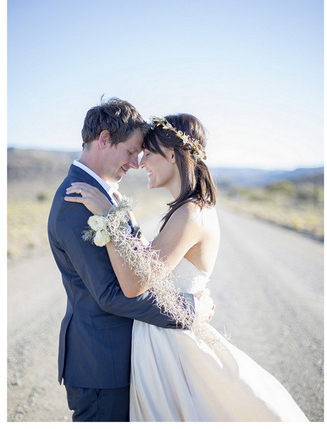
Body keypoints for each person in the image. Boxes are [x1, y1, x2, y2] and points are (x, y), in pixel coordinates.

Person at [64, 113, 308, 422]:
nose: (141, 164)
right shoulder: (188, 209)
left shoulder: (190, 214)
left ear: (173, 154)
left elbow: (133, 285)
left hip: (170, 347)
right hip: (160, 341)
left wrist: (110, 218)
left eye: (148, 154)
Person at [47, 98, 213, 422]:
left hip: (120, 359)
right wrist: (190, 310)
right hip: (101, 366)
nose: (136, 163)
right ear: (105, 138)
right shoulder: (75, 201)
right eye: (130, 151)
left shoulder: (103, 195)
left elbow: (137, 263)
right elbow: (111, 294)